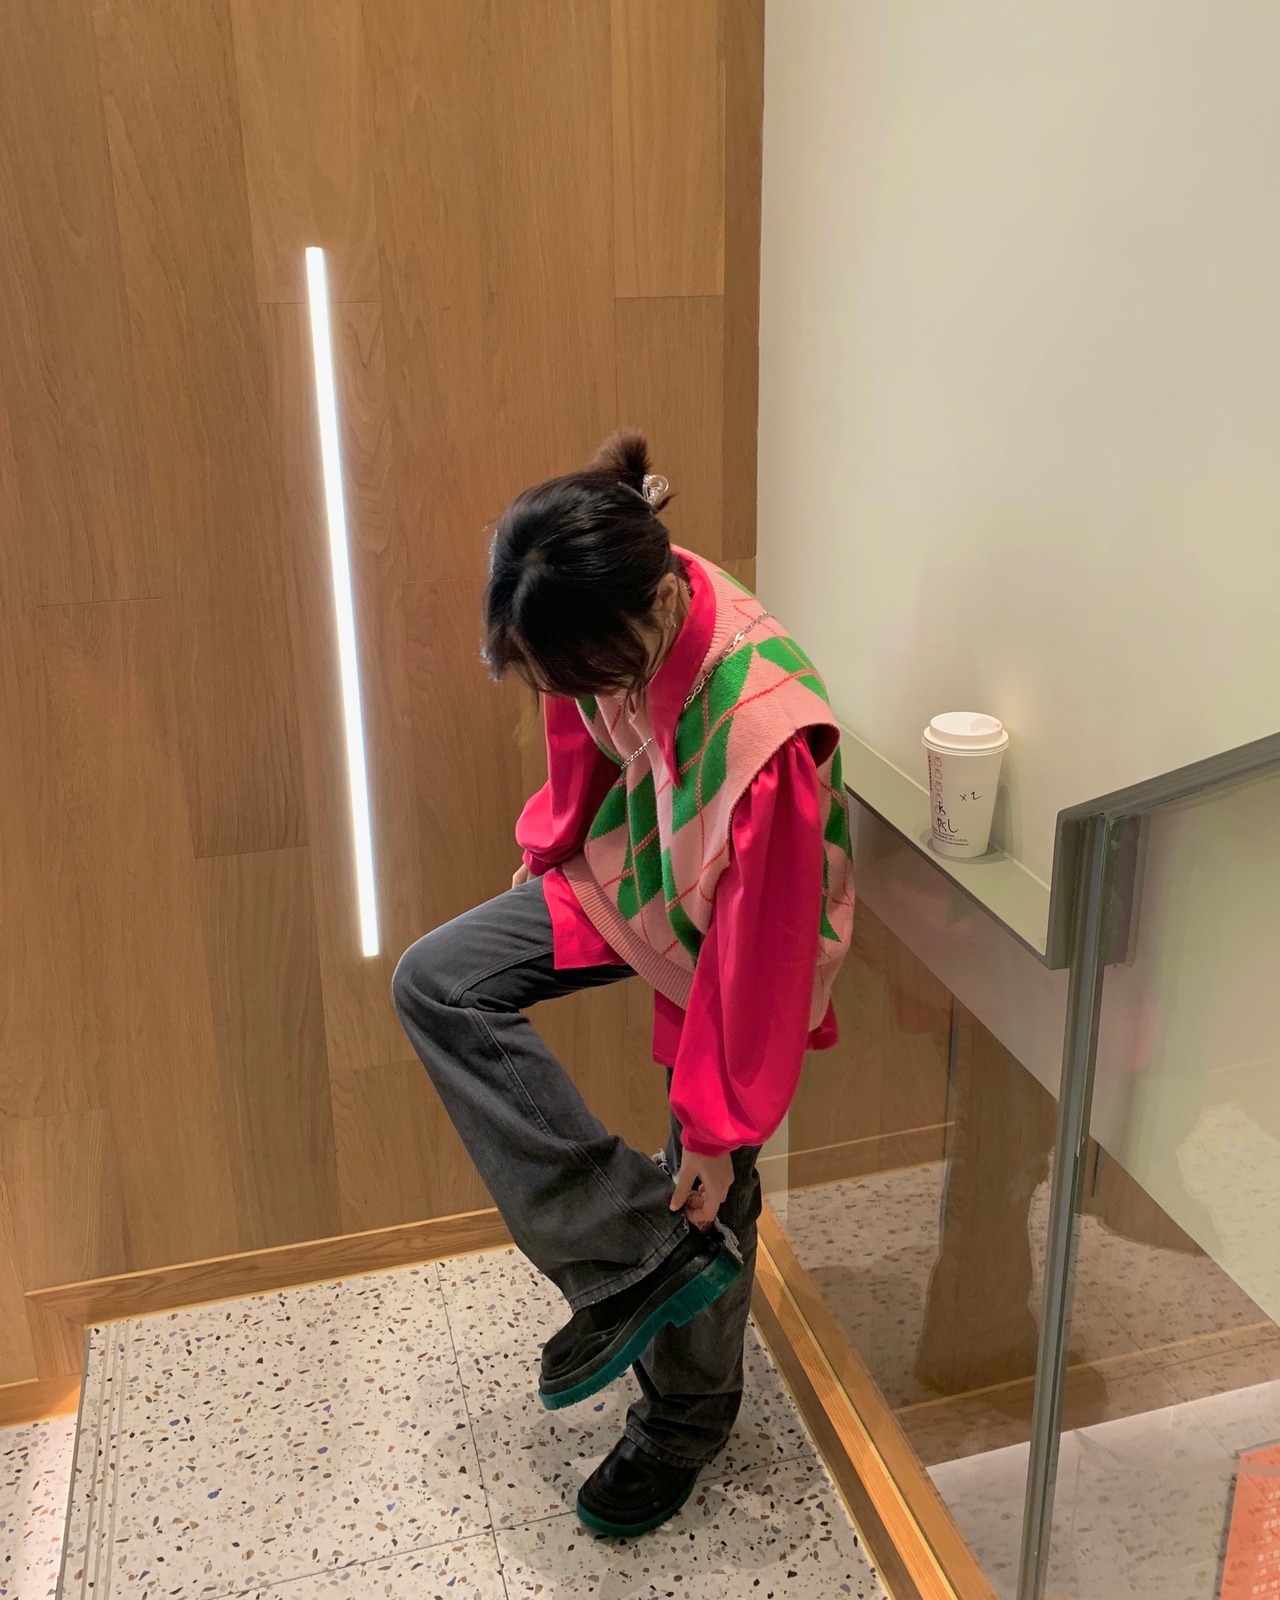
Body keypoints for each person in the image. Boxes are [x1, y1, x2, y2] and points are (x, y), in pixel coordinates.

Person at [392, 430, 855, 1538]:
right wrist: (554, 842)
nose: (569, 693)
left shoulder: (766, 736)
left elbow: (762, 949)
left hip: (741, 931)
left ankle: (683, 1422)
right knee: (439, 982)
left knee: (709, 1178)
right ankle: (635, 1249)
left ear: (646, 616)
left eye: (580, 672)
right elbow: (581, 727)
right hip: (644, 860)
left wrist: (716, 1127)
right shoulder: (609, 603)